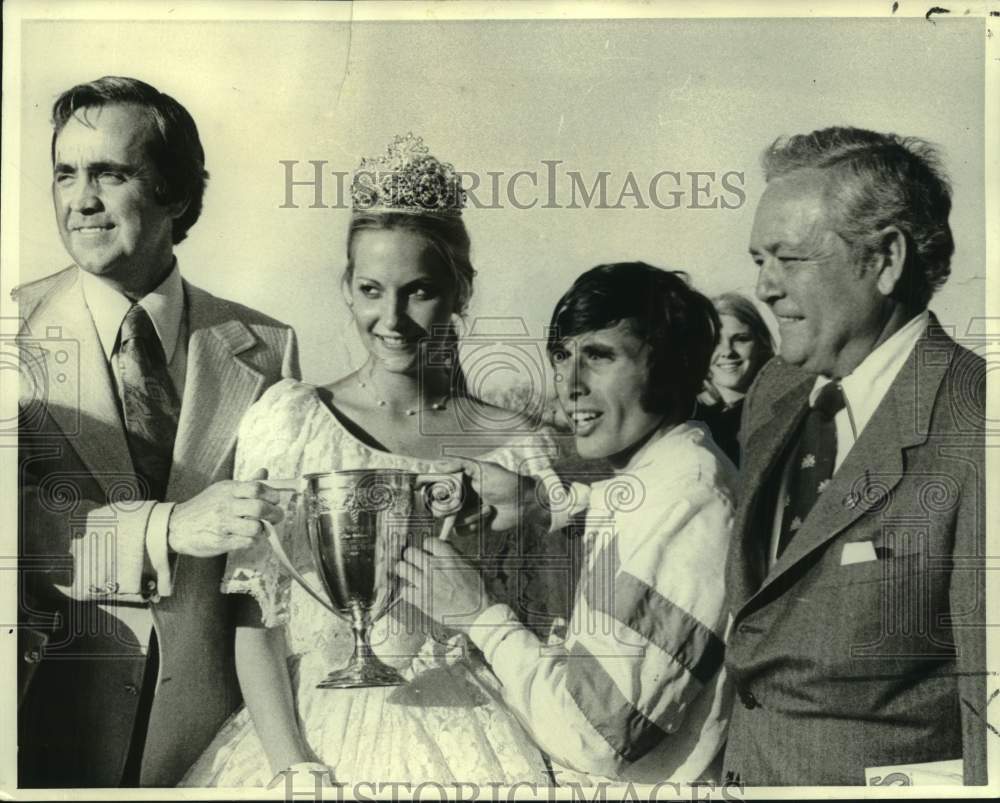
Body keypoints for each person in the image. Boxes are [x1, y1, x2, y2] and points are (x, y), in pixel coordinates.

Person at [181, 135, 559, 787]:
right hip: (306, 731)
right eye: (371, 289)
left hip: (471, 733)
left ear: (460, 290)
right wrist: (292, 764)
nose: (393, 318)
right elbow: (257, 621)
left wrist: (525, 511)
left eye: (420, 291)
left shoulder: (515, 443)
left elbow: (541, 630)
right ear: (347, 290)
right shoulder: (292, 419)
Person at [16, 76, 299, 787]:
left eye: (110, 173)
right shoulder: (9, 331)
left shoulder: (269, 346)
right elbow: (14, 531)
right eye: (65, 173)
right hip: (45, 739)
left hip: (214, 752)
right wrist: (166, 527)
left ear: (176, 193)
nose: (80, 200)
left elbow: (275, 574)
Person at [399, 263, 737, 784]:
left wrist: (479, 616)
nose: (569, 385)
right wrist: (538, 501)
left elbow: (597, 734)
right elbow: (628, 512)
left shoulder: (688, 500)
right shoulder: (671, 473)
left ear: (672, 366)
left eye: (599, 356)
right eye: (561, 356)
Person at [722, 127, 987, 785]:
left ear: (886, 258)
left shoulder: (979, 426)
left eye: (790, 259)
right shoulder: (776, 392)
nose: (764, 286)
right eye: (759, 258)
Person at [695, 293, 775, 465]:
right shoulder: (688, 416)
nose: (727, 351)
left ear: (761, 344)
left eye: (741, 339)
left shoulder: (776, 411)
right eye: (715, 341)